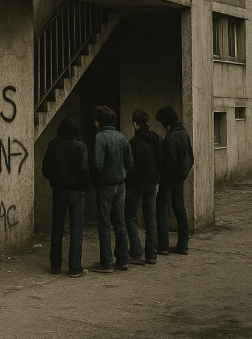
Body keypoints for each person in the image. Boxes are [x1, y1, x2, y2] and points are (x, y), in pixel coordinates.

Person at [42, 114, 90, 278]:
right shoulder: (81, 146)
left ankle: (55, 265)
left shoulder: (54, 144)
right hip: (77, 192)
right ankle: (75, 267)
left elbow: (46, 169)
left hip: (60, 191)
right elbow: (84, 170)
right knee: (77, 229)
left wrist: (56, 180)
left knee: (58, 227)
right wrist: (84, 186)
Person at [89, 105, 134, 273]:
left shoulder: (100, 137)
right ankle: (123, 259)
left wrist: (97, 179)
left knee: (105, 223)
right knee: (120, 222)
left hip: (105, 185)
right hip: (120, 184)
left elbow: (98, 164)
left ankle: (106, 262)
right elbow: (130, 163)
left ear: (98, 121)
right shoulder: (122, 137)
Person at [125, 109, 162, 265]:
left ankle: (136, 251)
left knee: (130, 216)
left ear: (135, 124)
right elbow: (160, 159)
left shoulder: (134, 141)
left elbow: (130, 164)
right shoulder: (156, 139)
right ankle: (152, 254)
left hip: (136, 184)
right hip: (152, 183)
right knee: (151, 217)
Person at [155, 106, 194, 255]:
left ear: (165, 121)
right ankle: (183, 244)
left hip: (168, 179)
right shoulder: (184, 134)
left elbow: (169, 162)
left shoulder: (170, 138)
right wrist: (183, 173)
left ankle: (163, 245)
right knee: (179, 208)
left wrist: (162, 177)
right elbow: (190, 158)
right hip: (180, 177)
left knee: (162, 208)